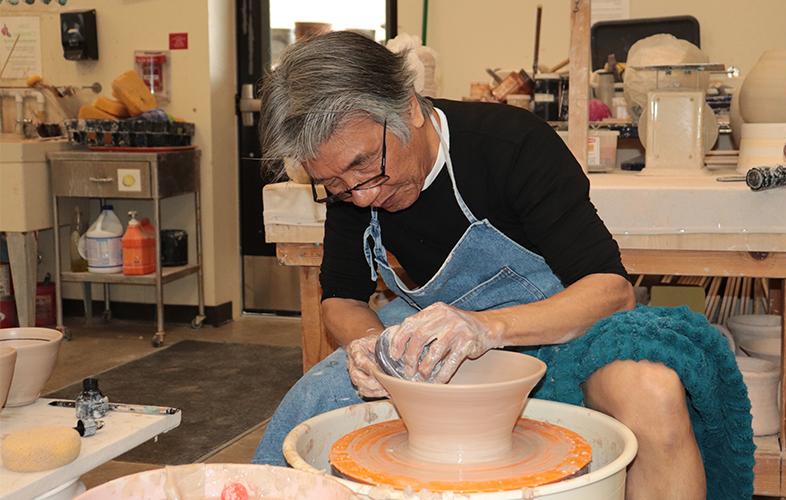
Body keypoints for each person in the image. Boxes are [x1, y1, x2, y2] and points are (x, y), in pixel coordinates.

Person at [254, 31, 706, 500]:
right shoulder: (351, 181)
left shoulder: (510, 144)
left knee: (653, 393)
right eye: (336, 186)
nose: (362, 195)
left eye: (367, 167)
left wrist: (485, 329)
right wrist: (371, 347)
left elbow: (610, 290)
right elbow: (342, 298)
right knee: (314, 397)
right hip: (433, 331)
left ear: (408, 106)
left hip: (558, 321)